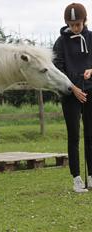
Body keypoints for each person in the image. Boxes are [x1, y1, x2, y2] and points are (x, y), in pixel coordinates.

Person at [53, 2, 92, 193]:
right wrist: (73, 88)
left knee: (91, 135)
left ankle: (91, 176)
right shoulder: (61, 43)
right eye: (72, 24)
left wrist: (91, 70)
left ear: (85, 20)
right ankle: (77, 178)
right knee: (74, 136)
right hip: (70, 94)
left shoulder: (91, 38)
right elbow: (58, 69)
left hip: (90, 91)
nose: (75, 27)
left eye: (78, 24)